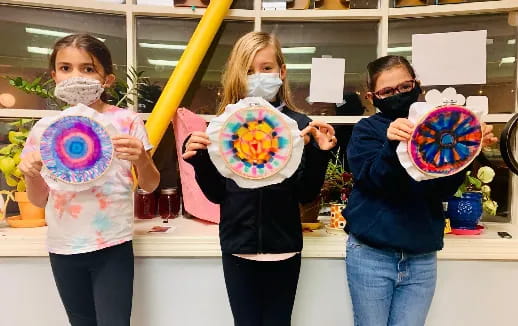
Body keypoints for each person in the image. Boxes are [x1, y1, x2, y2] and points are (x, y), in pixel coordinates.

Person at [182, 31, 336, 326]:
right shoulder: (223, 128)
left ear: (282, 71)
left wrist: (319, 153)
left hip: (285, 248)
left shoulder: (300, 126)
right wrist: (200, 159)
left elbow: (305, 194)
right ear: (237, 76)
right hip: (238, 247)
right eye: (248, 70)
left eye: (266, 68)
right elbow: (216, 194)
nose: (258, 77)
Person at [343, 55, 497, 326]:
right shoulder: (366, 130)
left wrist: (467, 148)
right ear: (372, 97)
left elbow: (443, 189)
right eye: (387, 91)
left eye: (405, 87)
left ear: (418, 85)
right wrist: (392, 145)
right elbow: (377, 182)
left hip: (421, 256)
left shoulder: (438, 127)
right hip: (371, 255)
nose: (398, 95)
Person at [19, 33, 160, 326]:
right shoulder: (45, 129)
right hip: (63, 245)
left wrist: (142, 159)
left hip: (112, 244)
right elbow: (37, 199)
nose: (76, 76)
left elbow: (150, 185)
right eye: (66, 68)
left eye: (88, 68)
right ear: (54, 75)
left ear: (106, 78)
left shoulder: (126, 121)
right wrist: (30, 173)